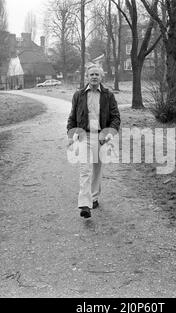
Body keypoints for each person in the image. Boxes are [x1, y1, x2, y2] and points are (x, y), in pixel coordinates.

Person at [67, 64, 121, 218]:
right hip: (84, 136)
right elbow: (72, 117)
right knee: (84, 170)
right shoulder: (78, 95)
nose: (94, 77)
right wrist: (70, 136)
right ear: (87, 77)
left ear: (101, 77)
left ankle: (94, 198)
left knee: (97, 169)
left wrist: (108, 133)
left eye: (97, 74)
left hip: (101, 137)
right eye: (91, 74)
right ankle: (85, 203)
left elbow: (116, 117)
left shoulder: (108, 95)